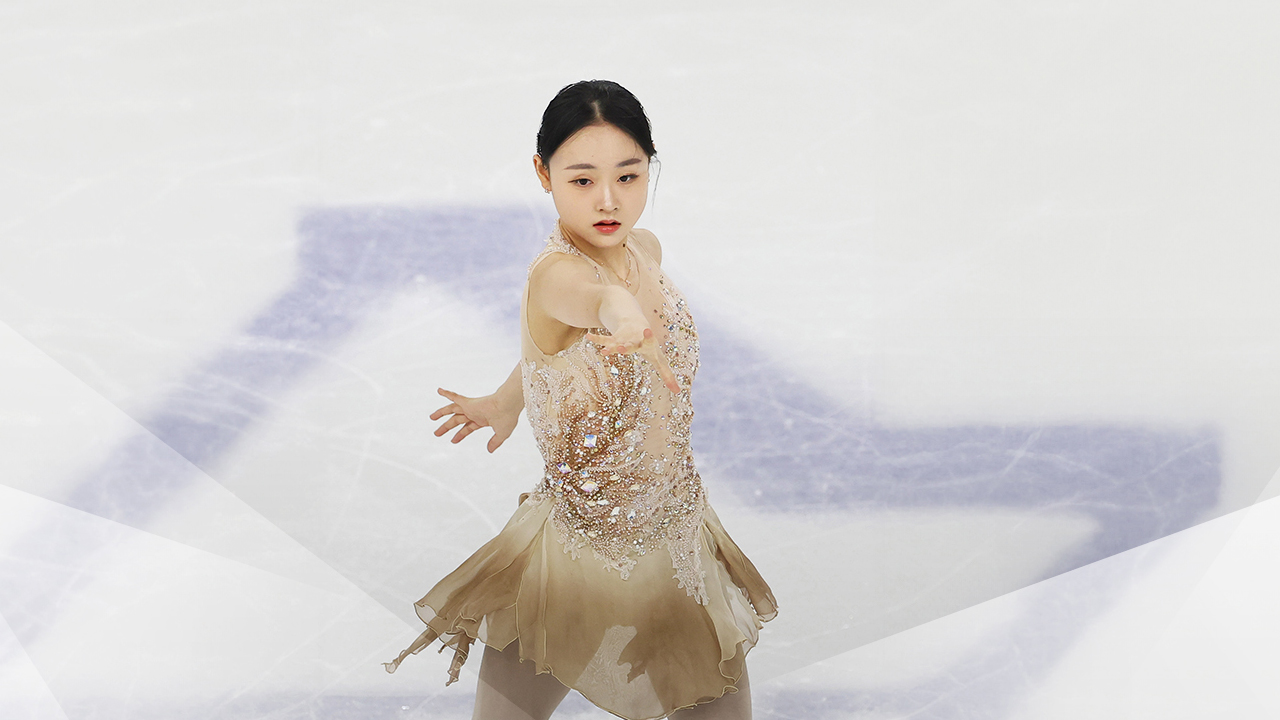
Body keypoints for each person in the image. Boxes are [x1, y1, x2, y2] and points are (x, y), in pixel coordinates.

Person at [382, 79, 778, 720]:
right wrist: (616, 313)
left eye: (628, 176)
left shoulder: (643, 250)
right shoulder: (557, 276)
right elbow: (586, 302)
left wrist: (511, 396)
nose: (607, 200)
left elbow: (562, 342)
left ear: (650, 168)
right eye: (582, 179)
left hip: (677, 546)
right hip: (576, 559)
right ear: (543, 174)